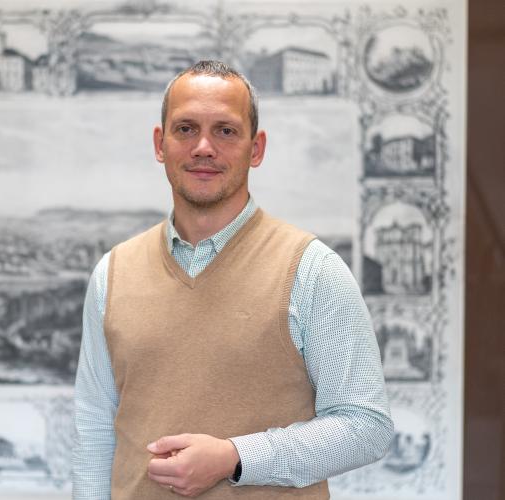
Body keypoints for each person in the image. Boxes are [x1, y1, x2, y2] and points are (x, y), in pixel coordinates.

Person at [72, 60, 394, 499]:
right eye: (186, 129)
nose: (203, 147)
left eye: (225, 131)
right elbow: (94, 431)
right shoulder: (112, 274)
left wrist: (236, 457)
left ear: (256, 149)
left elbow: (366, 426)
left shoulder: (313, 270)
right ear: (160, 143)